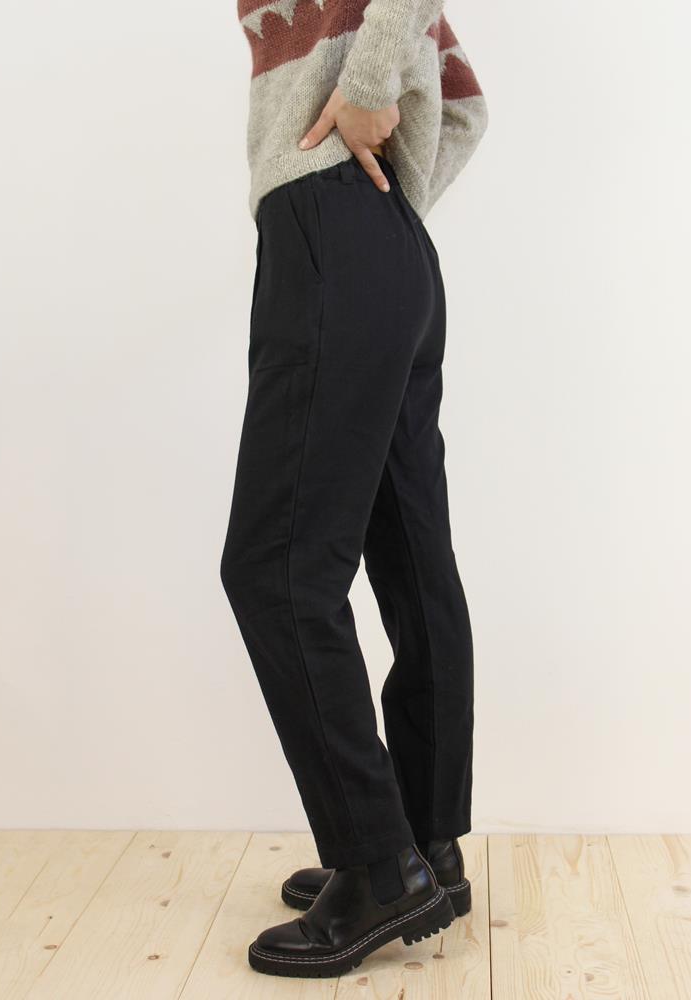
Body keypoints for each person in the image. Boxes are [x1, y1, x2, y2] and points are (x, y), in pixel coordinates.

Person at [221, 0, 487, 978]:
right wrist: (388, 205)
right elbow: (466, 106)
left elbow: (434, 91)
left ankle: (380, 866)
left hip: (330, 228)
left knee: (277, 568)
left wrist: (366, 92)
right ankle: (424, 844)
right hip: (386, 244)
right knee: (411, 558)